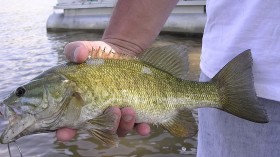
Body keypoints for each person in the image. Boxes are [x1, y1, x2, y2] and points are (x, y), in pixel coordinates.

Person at [57, 0, 280, 157]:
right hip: (243, 83)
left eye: (20, 92)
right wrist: (122, 41)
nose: (21, 96)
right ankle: (220, 92)